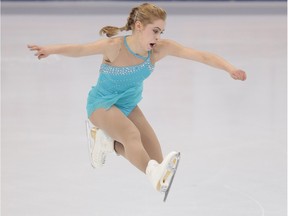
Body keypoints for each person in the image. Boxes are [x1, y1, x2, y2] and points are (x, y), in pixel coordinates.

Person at [28, 2, 246, 200]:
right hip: (101, 104)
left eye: (161, 32)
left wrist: (230, 68)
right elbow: (81, 49)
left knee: (155, 158)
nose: (158, 37)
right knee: (133, 137)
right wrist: (50, 49)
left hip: (127, 105)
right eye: (155, 31)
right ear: (139, 26)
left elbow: (201, 55)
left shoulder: (158, 50)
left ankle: (109, 144)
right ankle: (147, 170)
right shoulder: (115, 46)